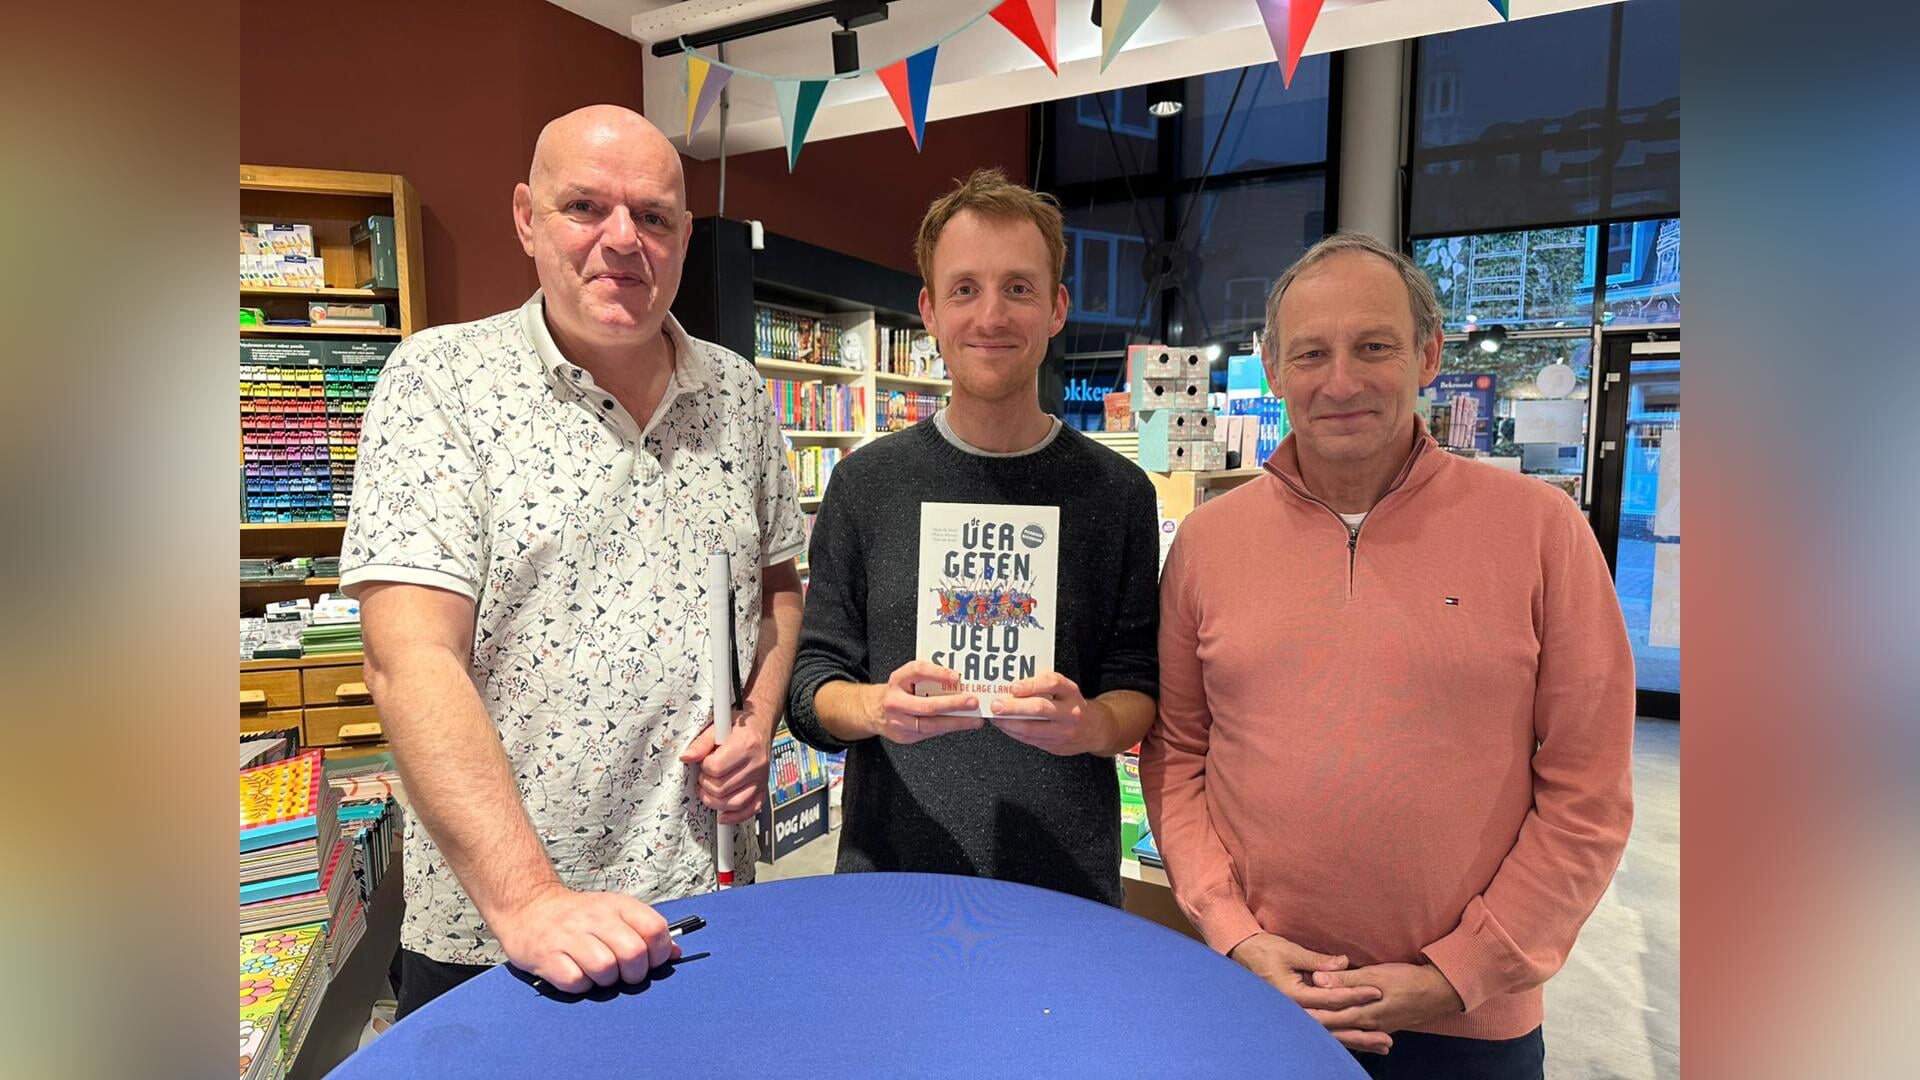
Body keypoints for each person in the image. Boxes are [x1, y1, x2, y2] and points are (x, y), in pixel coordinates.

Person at [341, 105, 806, 1017]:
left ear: (682, 236)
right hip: (501, 939)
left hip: (703, 905)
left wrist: (756, 721)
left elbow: (779, 590)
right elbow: (408, 656)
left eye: (656, 217)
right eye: (585, 207)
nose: (622, 240)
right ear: (525, 217)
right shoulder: (441, 382)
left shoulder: (739, 394)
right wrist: (529, 902)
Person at [1141, 232, 1634, 1077]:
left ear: (1428, 353)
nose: (1341, 381)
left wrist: (1462, 971)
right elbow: (1177, 754)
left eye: (1373, 346)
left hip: (1470, 1025)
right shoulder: (1209, 544)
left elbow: (1588, 791)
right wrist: (1234, 933)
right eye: (1310, 353)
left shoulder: (1542, 530)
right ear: (1272, 367)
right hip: (1260, 1000)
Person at [784, 169, 1159, 906]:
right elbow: (809, 691)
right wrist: (875, 710)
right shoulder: (866, 485)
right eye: (965, 289)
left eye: (1018, 288)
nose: (991, 315)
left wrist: (1088, 726)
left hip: (1065, 887)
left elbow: (1139, 688)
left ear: (1056, 309)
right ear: (928, 311)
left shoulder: (1118, 495)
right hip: (890, 878)